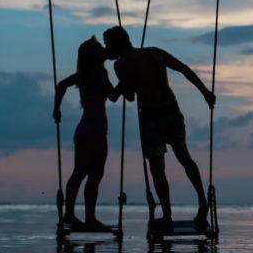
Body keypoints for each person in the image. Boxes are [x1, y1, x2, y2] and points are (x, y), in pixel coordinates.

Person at [102, 25, 215, 232]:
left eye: (107, 44)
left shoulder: (120, 64)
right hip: (172, 112)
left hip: (152, 119)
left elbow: (129, 96)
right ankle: (201, 201)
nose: (106, 48)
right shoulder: (155, 52)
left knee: (157, 170)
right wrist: (205, 92)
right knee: (185, 158)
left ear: (117, 45)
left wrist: (120, 84)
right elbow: (184, 69)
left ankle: (167, 215)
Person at [53, 36, 119, 231]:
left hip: (82, 129)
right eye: (99, 48)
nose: (103, 50)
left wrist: (57, 109)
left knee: (79, 173)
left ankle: (69, 215)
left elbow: (60, 86)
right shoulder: (99, 73)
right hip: (96, 130)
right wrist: (126, 82)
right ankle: (90, 218)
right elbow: (114, 96)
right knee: (95, 175)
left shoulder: (82, 74)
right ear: (94, 55)